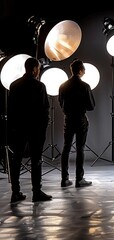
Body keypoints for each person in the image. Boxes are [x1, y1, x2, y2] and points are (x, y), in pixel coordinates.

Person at [7, 57, 52, 203]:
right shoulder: (39, 86)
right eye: (38, 68)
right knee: (36, 160)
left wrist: (12, 129)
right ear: (34, 69)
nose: (39, 71)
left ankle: (15, 192)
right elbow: (45, 110)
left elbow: (11, 110)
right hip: (35, 129)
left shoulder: (14, 85)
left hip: (18, 128)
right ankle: (36, 192)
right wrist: (43, 129)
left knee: (16, 160)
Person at [58, 59, 95, 188]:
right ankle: (79, 179)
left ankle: (64, 179)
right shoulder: (85, 86)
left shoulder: (63, 86)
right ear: (80, 70)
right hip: (80, 119)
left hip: (68, 119)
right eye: (84, 69)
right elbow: (91, 106)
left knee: (66, 147)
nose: (84, 71)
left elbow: (60, 102)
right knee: (80, 148)